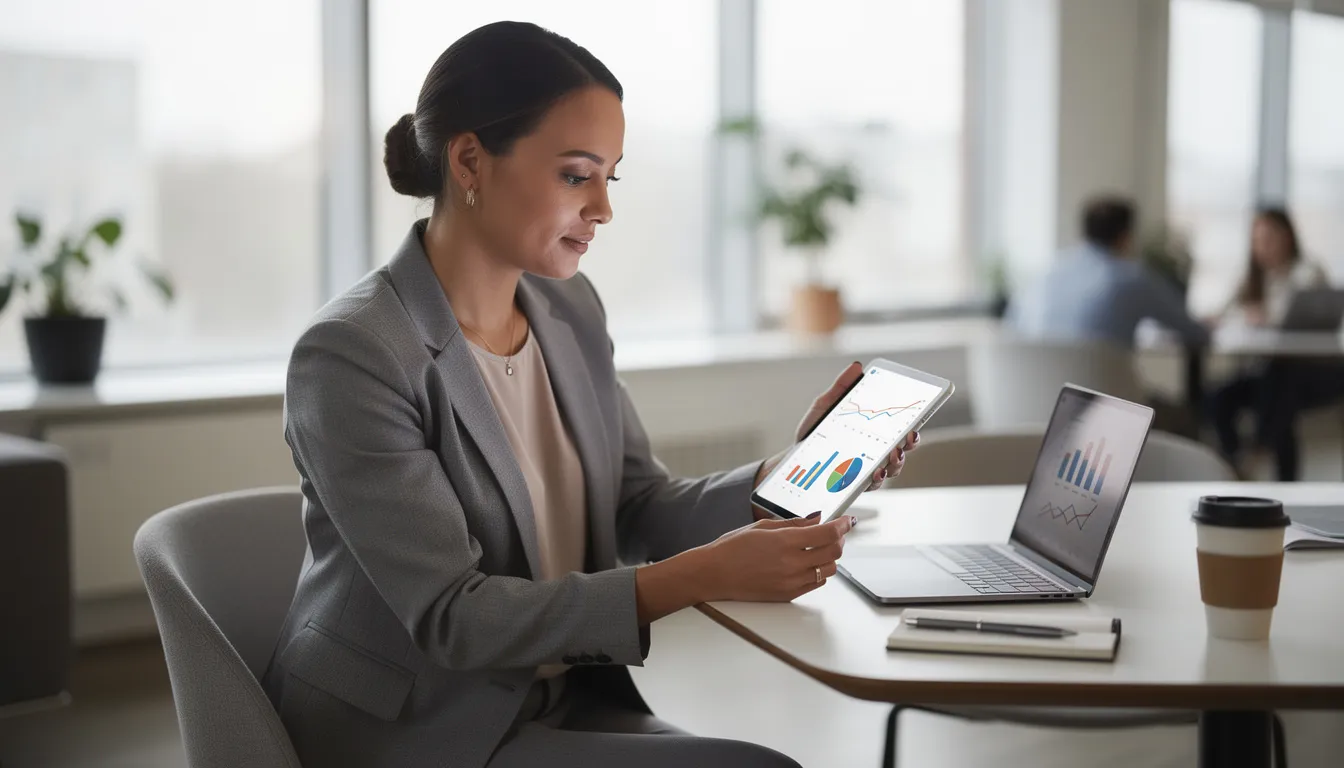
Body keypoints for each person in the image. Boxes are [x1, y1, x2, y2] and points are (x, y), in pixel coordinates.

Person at [260, 22, 917, 768]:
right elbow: (454, 617)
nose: (603, 208)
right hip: (418, 728)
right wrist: (702, 574)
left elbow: (638, 506)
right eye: (577, 175)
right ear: (470, 160)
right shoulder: (355, 353)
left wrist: (794, 471)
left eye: (612, 176)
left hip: (559, 700)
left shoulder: (568, 310)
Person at [1209, 208, 1338, 480]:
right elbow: (1223, 314)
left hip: (1314, 373)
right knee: (1221, 397)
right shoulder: (1253, 280)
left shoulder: (1308, 273)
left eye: (1268, 239)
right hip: (1271, 374)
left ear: (1287, 238)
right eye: (1257, 241)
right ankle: (1237, 465)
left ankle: (1258, 452)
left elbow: (1294, 318)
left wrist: (1264, 318)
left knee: (1281, 385)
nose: (1262, 248)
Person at [1007, 195, 1210, 349]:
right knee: (1178, 405)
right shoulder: (1130, 277)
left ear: (1084, 231)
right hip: (1105, 401)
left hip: (1041, 400)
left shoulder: (1047, 271)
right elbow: (1194, 332)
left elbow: (1013, 327)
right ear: (1125, 236)